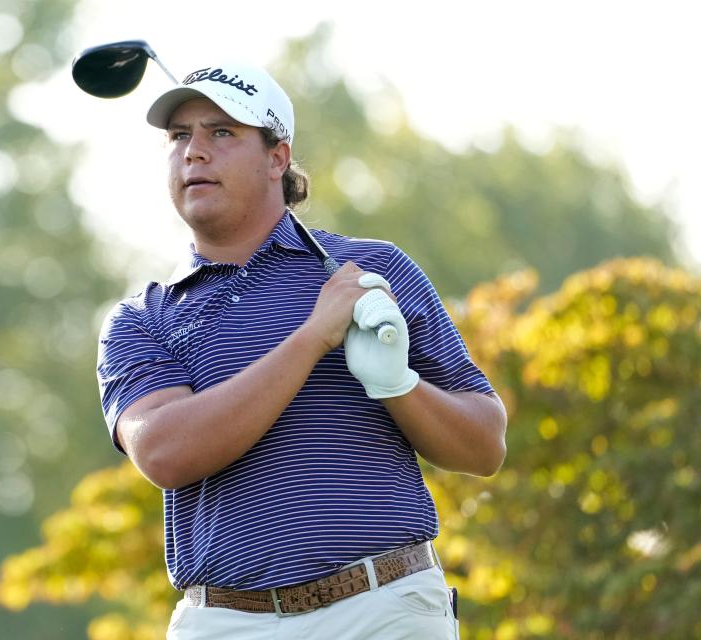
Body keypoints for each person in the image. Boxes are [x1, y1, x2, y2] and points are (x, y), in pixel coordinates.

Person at [96, 59, 507, 640]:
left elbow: (485, 445)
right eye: (179, 136)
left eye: (221, 132)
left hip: (383, 607)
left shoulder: (372, 271)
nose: (194, 152)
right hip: (226, 622)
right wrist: (312, 339)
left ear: (277, 158)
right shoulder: (142, 319)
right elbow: (164, 451)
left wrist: (399, 386)